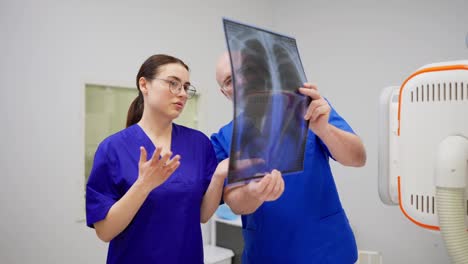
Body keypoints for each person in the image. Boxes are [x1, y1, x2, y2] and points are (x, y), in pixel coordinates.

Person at [211, 52, 367, 263]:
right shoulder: (225, 137)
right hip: (267, 254)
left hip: (327, 251)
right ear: (225, 93)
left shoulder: (308, 108)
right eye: (229, 81)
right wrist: (254, 193)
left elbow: (357, 158)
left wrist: (324, 130)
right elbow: (236, 204)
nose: (240, 82)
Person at [86, 54, 227, 264]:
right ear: (144, 84)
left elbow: (202, 215)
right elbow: (105, 232)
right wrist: (143, 185)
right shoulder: (112, 149)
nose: (182, 94)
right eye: (173, 84)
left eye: (186, 87)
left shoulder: (198, 144)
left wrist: (219, 175)